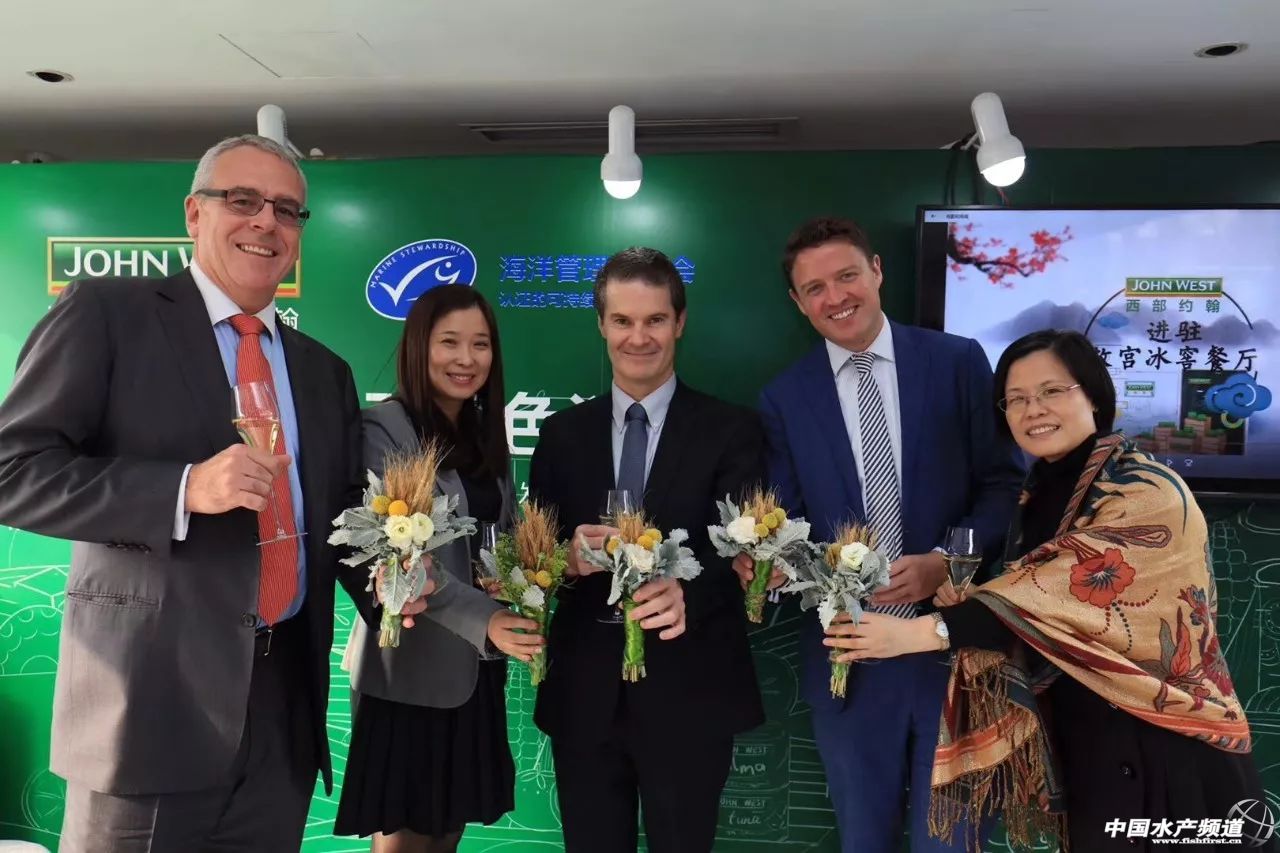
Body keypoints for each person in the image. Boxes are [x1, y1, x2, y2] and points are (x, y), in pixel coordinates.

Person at [0, 134, 411, 851]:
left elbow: (339, 516)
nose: (266, 222)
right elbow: (14, 470)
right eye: (242, 200)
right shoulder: (110, 313)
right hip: (146, 707)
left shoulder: (324, 371)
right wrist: (184, 489)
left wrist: (392, 576)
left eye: (287, 209)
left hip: (282, 712)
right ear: (195, 213)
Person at [834, 330, 1271, 852]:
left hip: (1168, 747)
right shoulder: (1038, 494)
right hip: (1088, 749)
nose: (1033, 409)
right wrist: (971, 599)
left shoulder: (1147, 490)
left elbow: (1056, 594)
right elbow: (1033, 602)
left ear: (1094, 396)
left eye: (1051, 391)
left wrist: (918, 633)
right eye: (1016, 399)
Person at [737, 217, 1024, 853]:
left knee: (953, 840)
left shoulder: (956, 362)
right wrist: (771, 566)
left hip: (955, 647)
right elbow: (788, 521)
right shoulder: (785, 397)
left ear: (876, 271)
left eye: (847, 276)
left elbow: (1004, 482)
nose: (835, 297)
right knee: (863, 839)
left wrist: (948, 560)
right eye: (814, 288)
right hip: (851, 654)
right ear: (797, 302)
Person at [528, 247, 765, 853]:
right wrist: (563, 562)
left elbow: (746, 554)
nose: (639, 337)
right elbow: (535, 558)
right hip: (584, 697)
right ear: (601, 325)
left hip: (692, 692)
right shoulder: (560, 434)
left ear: (679, 322)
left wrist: (689, 592)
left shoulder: (732, 430)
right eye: (623, 321)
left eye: (655, 319)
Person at [335, 285, 539, 852]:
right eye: (449, 342)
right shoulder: (384, 429)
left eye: (480, 344)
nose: (466, 358)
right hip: (408, 673)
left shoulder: (483, 434)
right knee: (405, 839)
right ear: (418, 347)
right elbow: (398, 556)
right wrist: (485, 619)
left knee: (447, 832)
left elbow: (502, 537)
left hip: (475, 671)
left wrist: (537, 569)